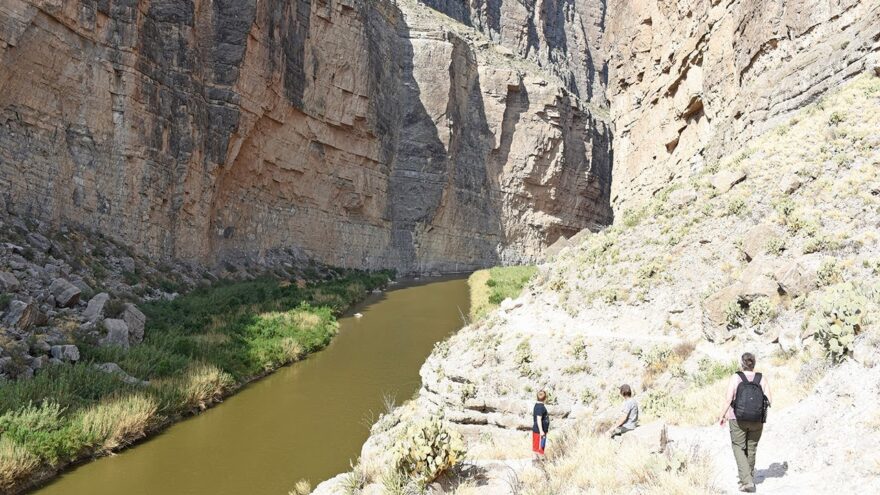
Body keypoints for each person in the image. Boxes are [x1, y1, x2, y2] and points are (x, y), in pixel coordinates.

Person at [718, 352, 772, 493]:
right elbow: (769, 400)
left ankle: (747, 481)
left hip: (737, 418)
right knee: (751, 447)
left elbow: (728, 399)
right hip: (757, 420)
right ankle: (749, 477)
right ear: (754, 364)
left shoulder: (736, 377)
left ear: (742, 364)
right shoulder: (762, 378)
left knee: (738, 447)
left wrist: (722, 415)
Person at [532, 390, 550, 458]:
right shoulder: (540, 407)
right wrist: (541, 431)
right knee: (539, 449)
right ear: (545, 398)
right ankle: (538, 465)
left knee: (537, 448)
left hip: (538, 431)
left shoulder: (537, 405)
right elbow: (538, 419)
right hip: (539, 432)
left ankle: (535, 464)